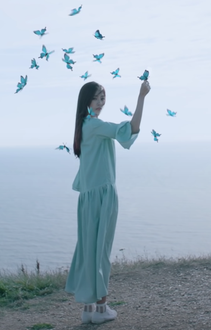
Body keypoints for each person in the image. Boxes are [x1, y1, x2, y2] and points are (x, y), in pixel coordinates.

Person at [65, 79, 150, 324]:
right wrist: (141, 97)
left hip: (88, 197)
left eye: (103, 98)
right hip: (102, 195)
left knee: (88, 249)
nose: (101, 103)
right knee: (101, 250)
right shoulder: (95, 126)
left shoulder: (83, 126)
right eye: (97, 98)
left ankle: (88, 309)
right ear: (87, 102)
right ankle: (101, 309)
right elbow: (130, 129)